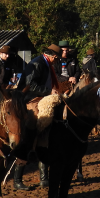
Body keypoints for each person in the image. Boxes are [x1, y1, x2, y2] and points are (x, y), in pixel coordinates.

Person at [14, 43, 62, 189]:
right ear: (53, 56)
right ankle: (17, 179)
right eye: (57, 58)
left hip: (41, 97)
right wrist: (49, 91)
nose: (57, 61)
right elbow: (30, 85)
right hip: (29, 99)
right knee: (33, 125)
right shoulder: (37, 63)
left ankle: (44, 178)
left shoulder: (46, 64)